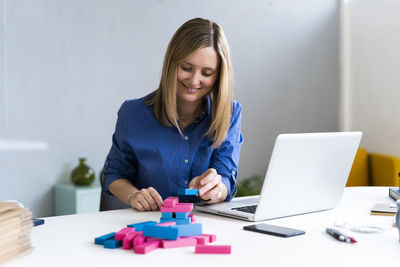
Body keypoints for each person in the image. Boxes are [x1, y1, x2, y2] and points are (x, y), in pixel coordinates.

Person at [102, 18, 243, 211]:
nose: (194, 80)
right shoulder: (132, 114)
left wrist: (217, 189)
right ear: (171, 63)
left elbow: (227, 178)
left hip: (204, 226)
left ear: (218, 76)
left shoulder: (230, 113)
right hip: (148, 225)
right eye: (187, 68)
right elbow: (114, 174)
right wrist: (133, 195)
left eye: (207, 73)